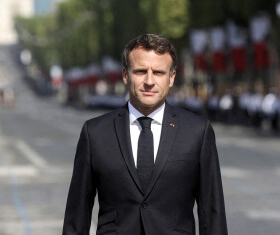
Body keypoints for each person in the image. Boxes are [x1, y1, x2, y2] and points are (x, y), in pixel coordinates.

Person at [62, 34, 228, 235]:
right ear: (125, 75)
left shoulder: (197, 132)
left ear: (171, 78)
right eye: (141, 71)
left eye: (158, 72)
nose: (149, 81)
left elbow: (212, 214)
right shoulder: (95, 133)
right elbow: (77, 216)